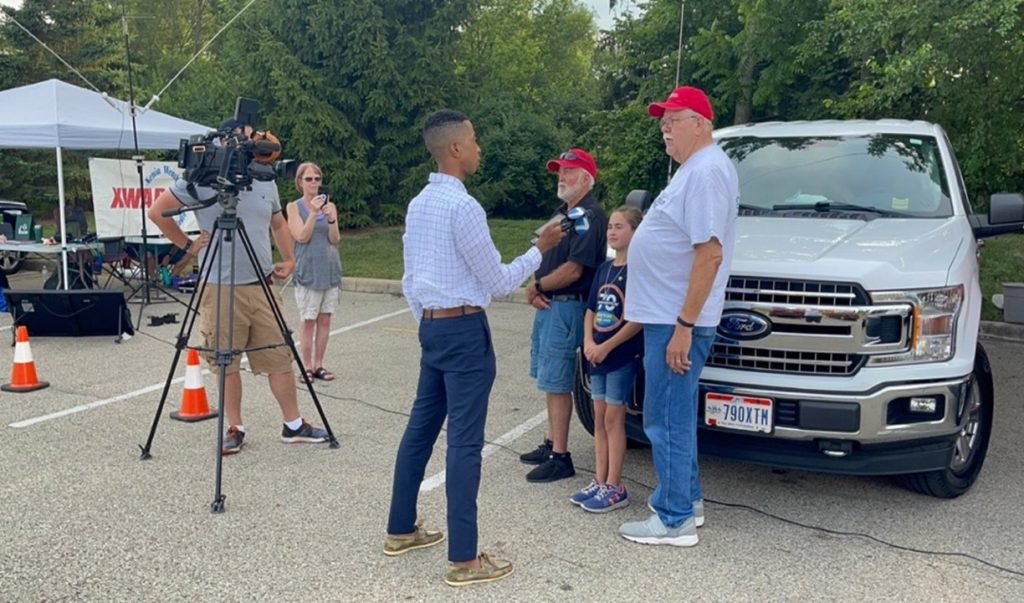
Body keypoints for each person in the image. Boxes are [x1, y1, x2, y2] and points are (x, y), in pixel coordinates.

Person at [385, 109, 563, 587]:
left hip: (433, 329)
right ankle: (464, 558)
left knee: (420, 429)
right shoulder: (464, 208)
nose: (479, 147)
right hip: (464, 331)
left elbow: (408, 280)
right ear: (456, 149)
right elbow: (499, 281)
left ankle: (400, 529)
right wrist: (539, 246)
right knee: (464, 442)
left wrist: (426, 323)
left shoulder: (419, 204)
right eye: (475, 139)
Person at [148, 117, 330, 455]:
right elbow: (157, 212)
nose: (254, 147)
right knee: (226, 361)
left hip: (261, 284)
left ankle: (293, 425)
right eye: (247, 140)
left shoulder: (263, 180)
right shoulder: (202, 181)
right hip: (220, 286)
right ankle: (235, 427)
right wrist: (188, 245)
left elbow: (277, 223)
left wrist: (289, 258)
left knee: (278, 356)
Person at [617, 85, 738, 546]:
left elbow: (708, 254)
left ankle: (673, 520)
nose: (664, 127)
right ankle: (687, 499)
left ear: (701, 124)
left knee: (664, 416)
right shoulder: (695, 170)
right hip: (671, 316)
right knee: (676, 411)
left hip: (676, 320)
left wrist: (684, 326)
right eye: (662, 120)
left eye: (674, 118)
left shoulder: (706, 173)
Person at [520, 147, 608, 483]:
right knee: (548, 375)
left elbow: (574, 270)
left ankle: (561, 456)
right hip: (550, 303)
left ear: (586, 178)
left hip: (568, 304)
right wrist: (537, 284)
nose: (561, 175)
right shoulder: (564, 213)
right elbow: (542, 253)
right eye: (559, 170)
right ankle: (551, 441)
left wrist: (537, 285)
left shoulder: (588, 216)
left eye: (569, 171)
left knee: (558, 379)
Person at [571, 205, 643, 513]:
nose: (612, 231)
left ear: (635, 232)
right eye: (610, 226)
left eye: (620, 227)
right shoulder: (605, 268)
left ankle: (616, 485)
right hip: (596, 353)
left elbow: (638, 319)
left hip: (620, 355)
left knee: (614, 419)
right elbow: (590, 310)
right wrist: (588, 341)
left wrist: (607, 346)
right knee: (599, 418)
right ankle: (599, 480)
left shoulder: (638, 270)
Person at [286, 162, 342, 382]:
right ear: (300, 182)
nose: (314, 183)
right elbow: (301, 236)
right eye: (309, 179)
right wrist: (313, 213)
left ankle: (319, 364)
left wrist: (331, 218)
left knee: (325, 319)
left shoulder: (330, 206)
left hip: (329, 269)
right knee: (308, 319)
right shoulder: (294, 207)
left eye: (317, 179)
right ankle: (306, 366)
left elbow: (335, 239)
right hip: (308, 270)